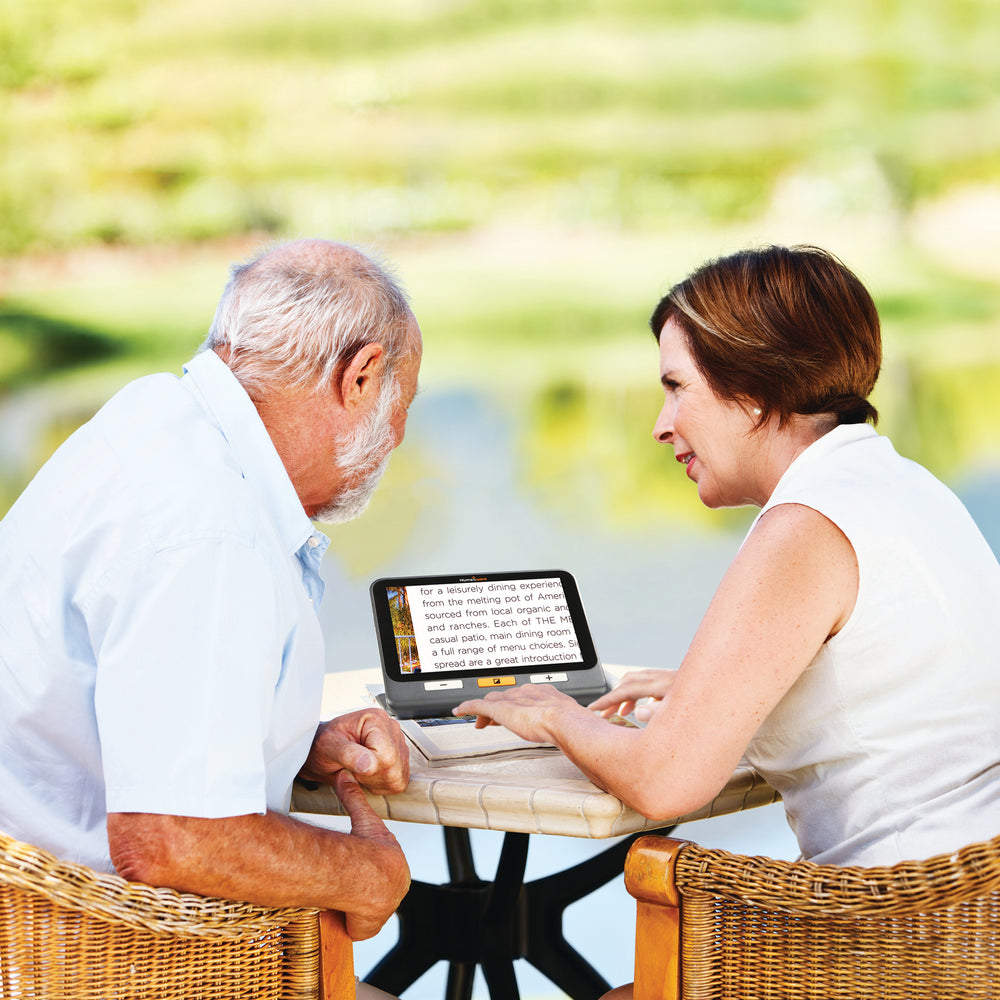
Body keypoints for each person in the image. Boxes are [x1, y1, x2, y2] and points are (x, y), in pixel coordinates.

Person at [455, 244, 1000, 872]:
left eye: (676, 388)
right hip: (968, 913)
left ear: (753, 385)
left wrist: (554, 715)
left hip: (895, 934)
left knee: (636, 961)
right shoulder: (903, 484)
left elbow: (665, 783)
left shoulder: (807, 524)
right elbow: (899, 690)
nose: (662, 426)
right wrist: (714, 693)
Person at [0, 238, 421, 946]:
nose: (400, 435)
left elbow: (117, 697)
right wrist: (364, 873)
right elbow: (169, 837)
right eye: (404, 401)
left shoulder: (155, 420)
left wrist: (289, 739)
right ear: (361, 375)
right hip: (96, 959)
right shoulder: (211, 529)